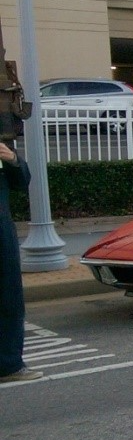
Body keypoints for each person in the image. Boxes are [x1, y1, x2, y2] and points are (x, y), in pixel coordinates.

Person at [0, 138, 41, 382]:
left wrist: (13, 160)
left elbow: (22, 181)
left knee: (9, 298)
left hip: (2, 233)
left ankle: (9, 364)